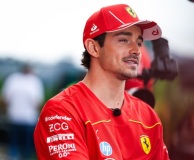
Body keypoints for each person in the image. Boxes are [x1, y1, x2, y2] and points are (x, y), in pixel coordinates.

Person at [34, 3, 170, 160]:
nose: (136, 50)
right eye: (124, 40)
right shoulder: (62, 111)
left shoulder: (149, 117)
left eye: (139, 43)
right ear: (93, 48)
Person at [2, 63, 44, 160]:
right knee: (26, 148)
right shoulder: (35, 81)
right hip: (29, 119)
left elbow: (5, 99)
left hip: (14, 117)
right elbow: (37, 103)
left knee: (13, 144)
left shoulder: (12, 79)